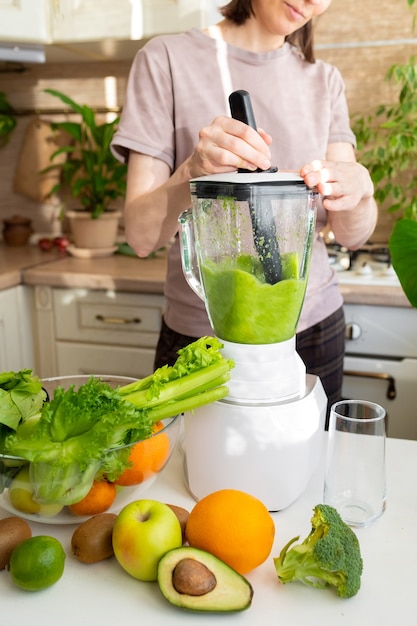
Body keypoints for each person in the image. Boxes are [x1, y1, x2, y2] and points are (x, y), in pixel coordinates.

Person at [111, 0, 377, 419]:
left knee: (301, 477)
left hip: (312, 329)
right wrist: (192, 172)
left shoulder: (324, 80)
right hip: (203, 338)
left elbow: (351, 233)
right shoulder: (165, 59)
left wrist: (360, 187)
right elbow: (141, 237)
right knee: (194, 479)